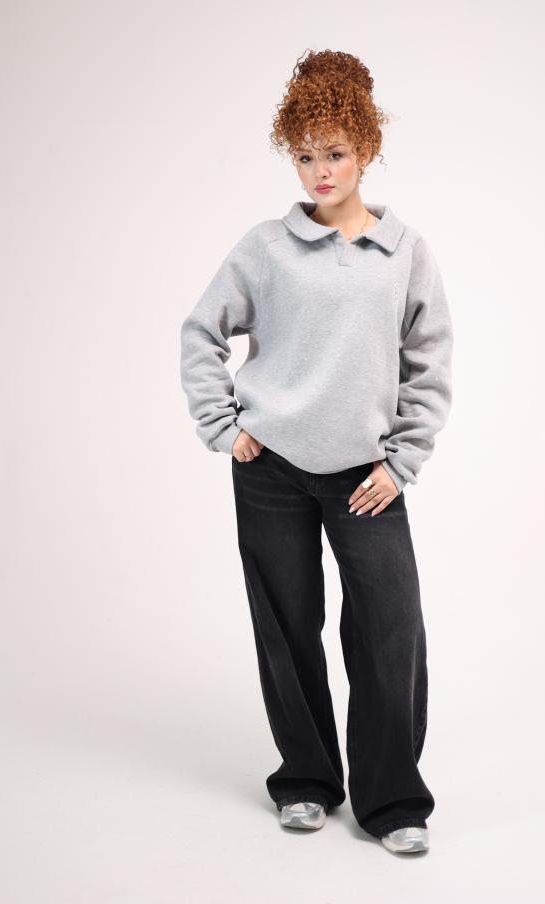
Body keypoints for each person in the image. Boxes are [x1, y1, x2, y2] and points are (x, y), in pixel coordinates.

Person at [180, 49, 454, 854]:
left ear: (366, 148)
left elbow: (430, 361)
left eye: (334, 152)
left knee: (389, 630)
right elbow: (201, 332)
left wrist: (400, 462)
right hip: (270, 469)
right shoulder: (266, 247)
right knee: (287, 624)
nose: (319, 171)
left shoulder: (405, 252)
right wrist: (223, 424)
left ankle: (392, 800)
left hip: (366, 475)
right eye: (303, 156)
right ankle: (305, 779)